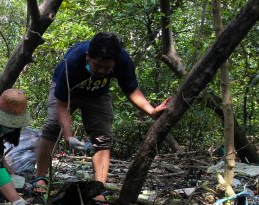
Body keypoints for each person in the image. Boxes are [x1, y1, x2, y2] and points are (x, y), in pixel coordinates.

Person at [34, 32, 168, 191]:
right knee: (52, 129)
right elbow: (62, 106)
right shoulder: (72, 63)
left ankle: (98, 189)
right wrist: (68, 137)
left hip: (98, 94)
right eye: (98, 66)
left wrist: (152, 111)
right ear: (88, 56)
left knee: (102, 137)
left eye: (108, 68)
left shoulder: (122, 60)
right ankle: (40, 179)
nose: (103, 71)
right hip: (69, 91)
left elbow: (131, 89)